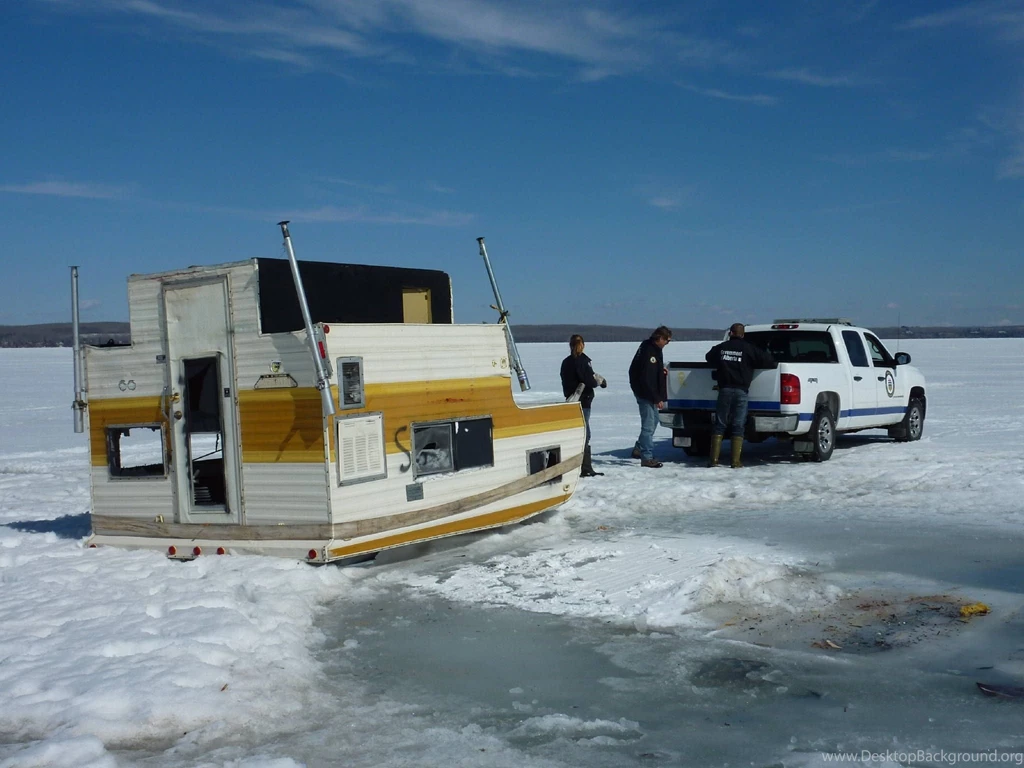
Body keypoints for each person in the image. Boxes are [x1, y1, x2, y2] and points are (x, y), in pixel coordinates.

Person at [704, 323, 775, 468]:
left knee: (720, 424)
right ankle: (735, 461)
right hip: (741, 391)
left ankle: (713, 460)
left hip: (724, 390)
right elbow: (768, 361)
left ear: (730, 333)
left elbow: (708, 357)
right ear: (743, 334)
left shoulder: (722, 348)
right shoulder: (749, 349)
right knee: (738, 424)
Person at [560, 334, 607, 477]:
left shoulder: (566, 362)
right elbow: (588, 379)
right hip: (583, 400)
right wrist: (599, 381)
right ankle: (584, 467)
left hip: (571, 399)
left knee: (580, 430)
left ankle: (580, 465)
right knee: (585, 433)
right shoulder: (582, 361)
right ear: (583, 345)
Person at [628, 326, 672, 468]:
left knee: (654, 421)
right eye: (667, 341)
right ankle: (646, 456)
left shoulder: (650, 348)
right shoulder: (649, 352)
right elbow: (647, 378)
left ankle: (639, 448)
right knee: (648, 425)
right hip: (645, 393)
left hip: (645, 391)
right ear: (660, 338)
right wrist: (656, 397)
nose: (667, 344)